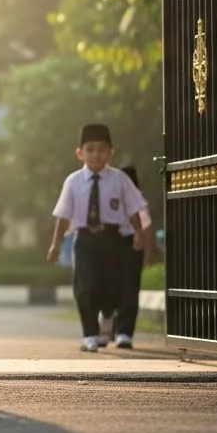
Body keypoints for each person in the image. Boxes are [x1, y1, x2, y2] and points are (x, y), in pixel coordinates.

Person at [45, 123, 150, 352]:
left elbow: (133, 209)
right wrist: (55, 245)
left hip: (114, 239)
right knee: (85, 287)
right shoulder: (73, 182)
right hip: (85, 241)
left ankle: (123, 333)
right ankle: (90, 334)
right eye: (90, 149)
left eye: (102, 149)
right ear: (80, 153)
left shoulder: (120, 179)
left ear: (111, 153)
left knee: (119, 288)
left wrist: (139, 234)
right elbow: (63, 217)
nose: (96, 154)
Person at [97, 165, 159, 348]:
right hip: (108, 246)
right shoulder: (106, 197)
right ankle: (106, 321)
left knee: (129, 291)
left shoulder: (139, 201)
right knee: (106, 289)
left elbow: (147, 227)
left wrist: (148, 251)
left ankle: (124, 332)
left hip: (132, 246)